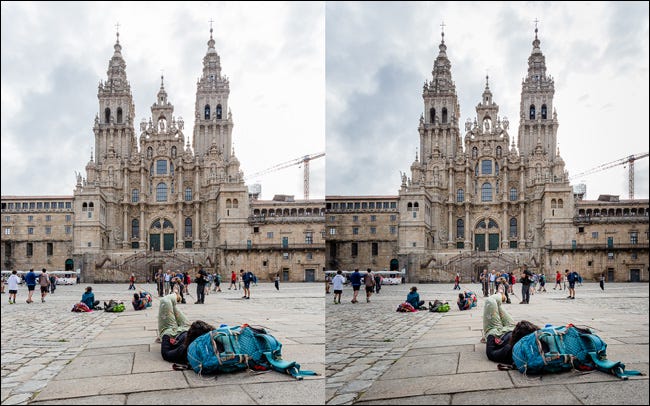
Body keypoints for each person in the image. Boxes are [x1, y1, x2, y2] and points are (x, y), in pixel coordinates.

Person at [483, 290, 540, 364]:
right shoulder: (537, 338)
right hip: (512, 328)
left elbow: (491, 354)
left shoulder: (510, 349)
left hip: (497, 332)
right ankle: (500, 295)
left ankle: (500, 294)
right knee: (497, 305)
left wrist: (491, 336)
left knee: (490, 301)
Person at [157, 292, 216, 364]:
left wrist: (166, 336)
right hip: (186, 328)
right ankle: (175, 296)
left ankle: (175, 294)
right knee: (172, 305)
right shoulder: (212, 339)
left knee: (165, 301)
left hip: (172, 332)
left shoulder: (184, 350)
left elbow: (166, 354)